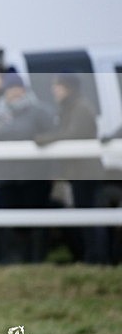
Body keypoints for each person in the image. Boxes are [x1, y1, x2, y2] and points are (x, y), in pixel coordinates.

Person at [34, 73, 110, 264]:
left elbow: (75, 133)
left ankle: (98, 259)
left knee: (90, 216)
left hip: (86, 172)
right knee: (86, 215)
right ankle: (92, 257)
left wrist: (47, 139)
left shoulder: (80, 107)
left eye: (57, 86)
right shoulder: (72, 106)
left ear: (68, 87)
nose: (54, 91)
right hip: (79, 171)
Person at [0, 72, 55, 263]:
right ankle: (16, 259)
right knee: (13, 219)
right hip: (7, 175)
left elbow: (49, 137)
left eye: (17, 88)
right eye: (10, 89)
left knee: (35, 217)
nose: (14, 92)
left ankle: (37, 258)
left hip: (33, 175)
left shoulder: (39, 111)